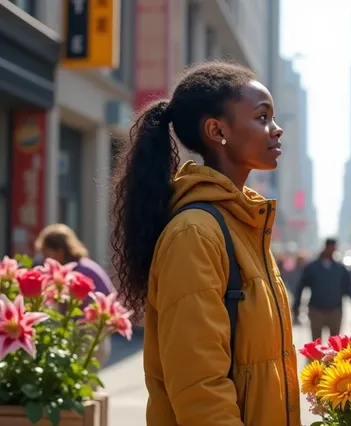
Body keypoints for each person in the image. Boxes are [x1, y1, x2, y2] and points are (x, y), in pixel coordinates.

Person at [109, 60, 300, 426]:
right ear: (217, 130)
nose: (276, 131)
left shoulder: (245, 224)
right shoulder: (194, 234)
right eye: (262, 118)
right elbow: (200, 391)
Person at [34, 223, 115, 367]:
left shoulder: (81, 270)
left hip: (87, 339)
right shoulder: (84, 266)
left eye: (46, 252)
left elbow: (110, 302)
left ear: (59, 250)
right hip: (83, 337)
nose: (45, 258)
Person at [292, 238, 351, 341]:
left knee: (335, 344)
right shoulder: (312, 267)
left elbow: (348, 286)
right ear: (325, 247)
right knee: (316, 344)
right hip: (316, 310)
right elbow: (301, 287)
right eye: (330, 247)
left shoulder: (340, 268)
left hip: (335, 310)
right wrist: (296, 307)